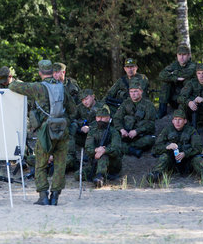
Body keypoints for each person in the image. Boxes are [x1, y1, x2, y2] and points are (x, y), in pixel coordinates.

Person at [9, 59, 76, 206]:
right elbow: (73, 110)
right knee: (60, 165)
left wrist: (13, 80)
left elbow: (14, 86)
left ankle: (43, 196)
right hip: (62, 130)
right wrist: (66, 123)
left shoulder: (38, 88)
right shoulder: (62, 87)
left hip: (46, 131)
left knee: (40, 164)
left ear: (40, 72)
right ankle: (55, 197)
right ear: (52, 72)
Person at [148, 109, 203, 185]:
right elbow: (156, 148)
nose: (177, 122)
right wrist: (167, 147)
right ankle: (155, 175)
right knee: (164, 157)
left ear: (185, 121)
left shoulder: (191, 130)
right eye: (175, 119)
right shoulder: (167, 130)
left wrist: (185, 153)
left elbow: (198, 148)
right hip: (171, 163)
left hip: (188, 162)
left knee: (197, 159)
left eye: (180, 119)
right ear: (172, 121)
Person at [113, 78, 157, 158]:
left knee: (150, 140)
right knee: (113, 137)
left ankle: (126, 147)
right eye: (131, 92)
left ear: (141, 92)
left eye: (136, 91)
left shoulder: (148, 105)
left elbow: (150, 124)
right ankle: (131, 149)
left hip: (140, 135)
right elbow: (117, 118)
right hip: (126, 134)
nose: (133, 94)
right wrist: (121, 129)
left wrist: (137, 131)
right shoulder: (126, 103)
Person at [85, 105, 122, 188]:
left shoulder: (114, 132)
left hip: (112, 163)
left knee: (103, 156)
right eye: (98, 117)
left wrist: (104, 150)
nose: (100, 119)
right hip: (95, 160)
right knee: (80, 174)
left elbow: (117, 150)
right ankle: (99, 174)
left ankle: (100, 177)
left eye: (103, 117)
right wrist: (96, 150)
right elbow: (88, 148)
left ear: (108, 118)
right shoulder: (92, 132)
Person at [158, 44, 197, 118]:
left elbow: (188, 73)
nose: (181, 57)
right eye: (179, 55)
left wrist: (173, 73)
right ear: (177, 55)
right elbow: (161, 74)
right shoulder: (174, 65)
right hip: (174, 98)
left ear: (189, 55)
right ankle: (162, 110)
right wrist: (176, 78)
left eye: (184, 55)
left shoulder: (192, 65)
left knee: (188, 81)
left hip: (186, 100)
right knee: (165, 83)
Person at [66, 89, 98, 174]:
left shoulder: (101, 107)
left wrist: (90, 127)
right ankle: (71, 156)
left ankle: (90, 155)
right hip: (82, 136)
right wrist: (78, 124)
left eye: (86, 99)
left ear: (93, 97)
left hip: (96, 138)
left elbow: (105, 123)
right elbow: (72, 118)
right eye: (83, 100)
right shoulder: (80, 107)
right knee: (71, 129)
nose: (85, 102)